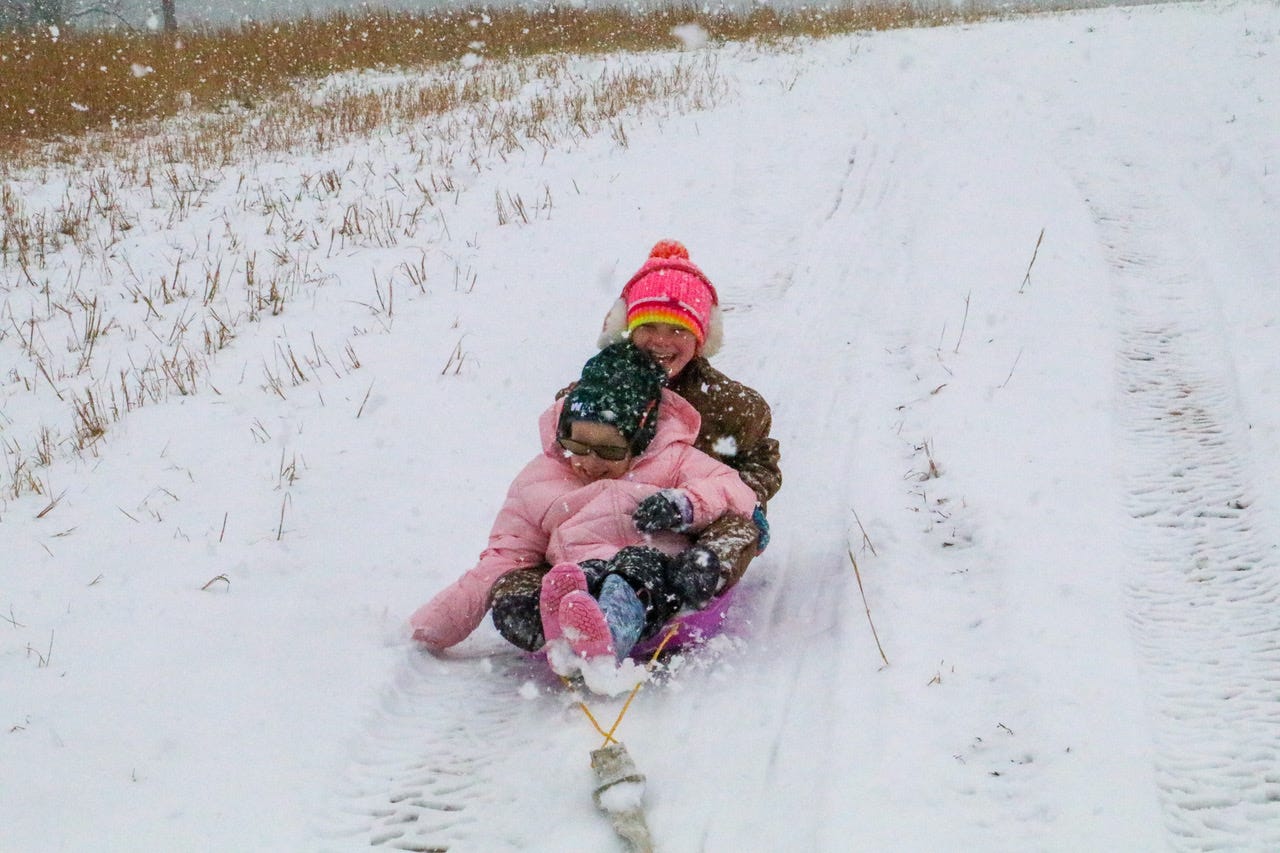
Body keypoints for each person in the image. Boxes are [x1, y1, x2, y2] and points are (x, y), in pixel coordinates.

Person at [409, 342, 759, 663]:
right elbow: (505, 556)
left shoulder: (673, 459)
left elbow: (736, 490)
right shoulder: (540, 479)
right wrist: (434, 624)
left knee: (633, 570)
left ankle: (607, 638)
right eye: (578, 446)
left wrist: (684, 504)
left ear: (640, 439)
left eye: (609, 450)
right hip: (582, 566)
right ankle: (563, 623)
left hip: (657, 573)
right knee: (558, 582)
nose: (589, 462)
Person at [598, 239, 780, 599]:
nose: (661, 341)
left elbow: (761, 462)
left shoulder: (733, 406)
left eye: (678, 329)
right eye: (649, 326)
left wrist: (745, 497)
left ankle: (696, 577)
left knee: (741, 526)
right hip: (614, 519)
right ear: (627, 330)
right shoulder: (599, 392)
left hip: (695, 520)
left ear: (701, 339)